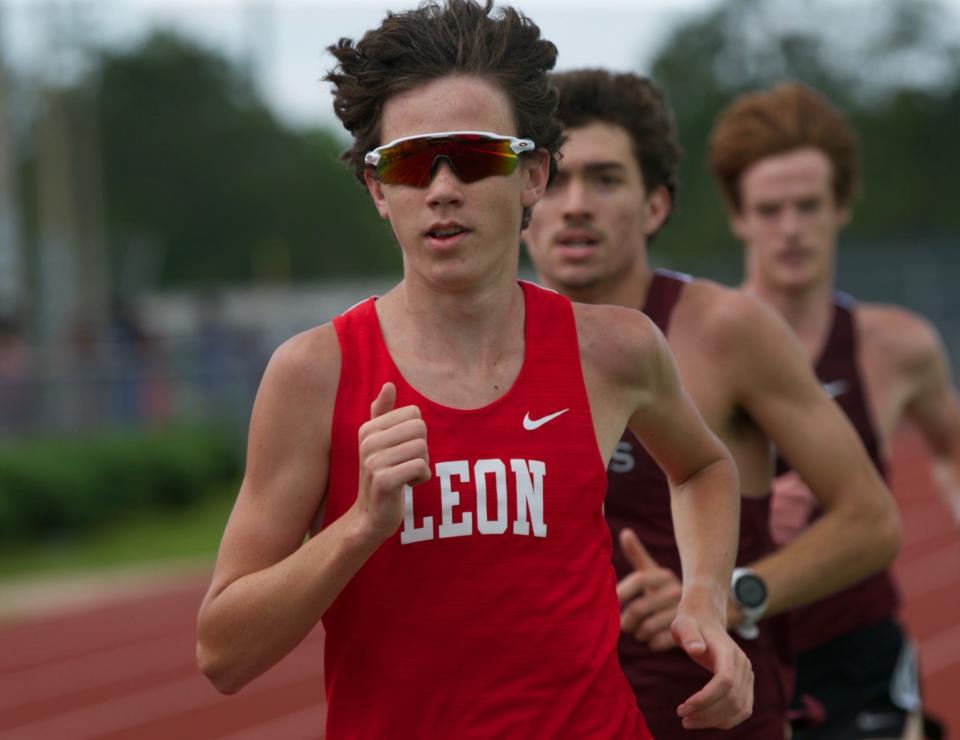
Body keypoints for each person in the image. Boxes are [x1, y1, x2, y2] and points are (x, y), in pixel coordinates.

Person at [196, 3, 754, 736]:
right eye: (410, 162)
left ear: (533, 176)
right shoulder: (314, 373)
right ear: (377, 189)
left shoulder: (613, 349)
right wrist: (359, 526)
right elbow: (222, 653)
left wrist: (705, 599)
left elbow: (704, 468)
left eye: (477, 156)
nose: (443, 188)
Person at [522, 69, 901, 738]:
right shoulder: (485, 347)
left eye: (606, 180)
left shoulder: (726, 331)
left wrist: (726, 594)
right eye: (556, 180)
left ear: (655, 206)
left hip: (710, 720)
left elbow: (871, 521)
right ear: (524, 200)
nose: (575, 204)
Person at [708, 81, 960, 740]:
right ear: (738, 217)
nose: (789, 229)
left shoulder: (896, 347)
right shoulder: (692, 350)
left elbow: (950, 450)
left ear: (842, 205)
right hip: (740, 649)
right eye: (769, 210)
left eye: (808, 206)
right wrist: (751, 516)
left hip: (860, 650)